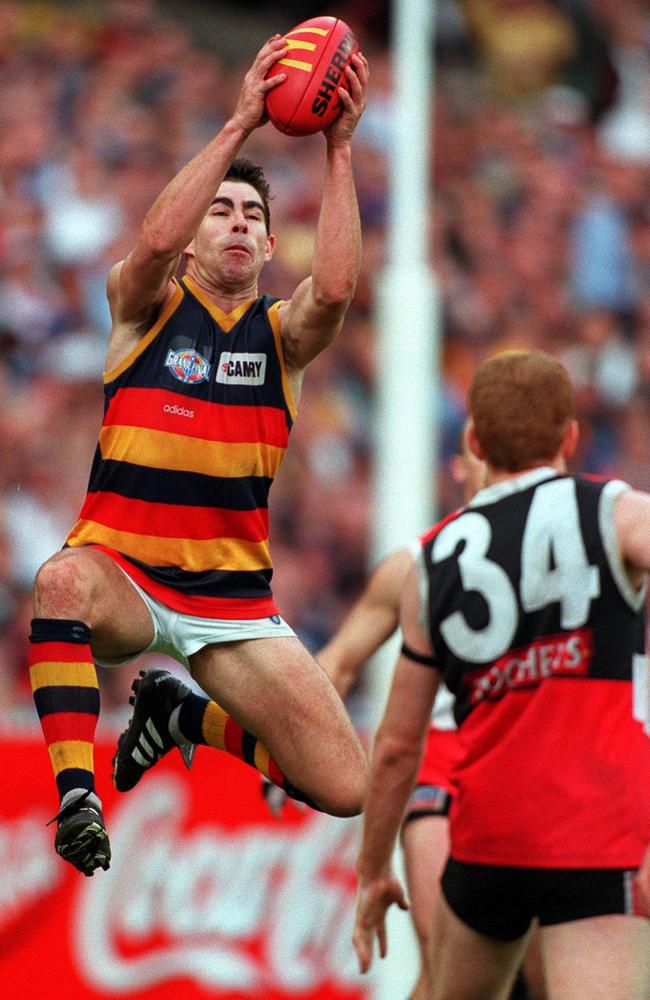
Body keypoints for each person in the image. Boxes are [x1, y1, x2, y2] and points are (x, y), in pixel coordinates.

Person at [28, 35, 369, 877]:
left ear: (269, 246)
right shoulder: (142, 306)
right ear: (192, 236)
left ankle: (181, 719)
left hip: (232, 603)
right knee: (60, 582)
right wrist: (241, 122)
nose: (240, 224)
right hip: (127, 575)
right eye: (221, 210)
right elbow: (147, 245)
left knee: (344, 784)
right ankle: (78, 796)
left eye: (253, 215)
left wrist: (339, 147)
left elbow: (333, 292)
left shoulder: (280, 338)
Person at [353, 349, 650, 1000]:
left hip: (488, 839)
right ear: (571, 435)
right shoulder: (613, 512)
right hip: (593, 836)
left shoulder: (430, 564)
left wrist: (373, 868)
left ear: (477, 443)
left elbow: (398, 746)